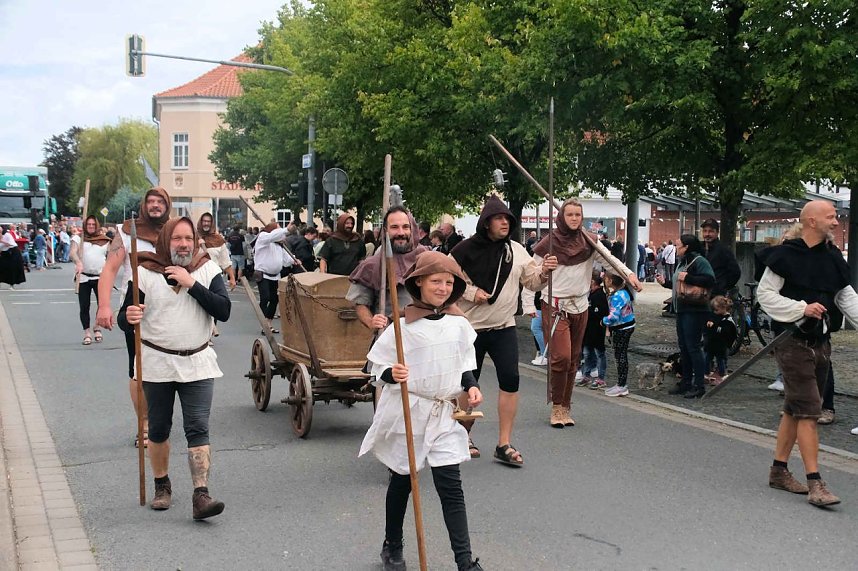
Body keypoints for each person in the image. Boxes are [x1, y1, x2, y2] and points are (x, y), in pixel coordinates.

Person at [359, 251, 483, 571]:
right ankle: (393, 545)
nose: (442, 287)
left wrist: (470, 385)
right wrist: (391, 374)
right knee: (403, 481)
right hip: (410, 409)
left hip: (442, 412)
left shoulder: (459, 325)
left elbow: (464, 364)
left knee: (450, 487)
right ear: (419, 284)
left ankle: (465, 561)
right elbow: (376, 368)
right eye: (435, 281)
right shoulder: (402, 327)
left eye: (448, 282)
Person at [117, 217, 231, 519]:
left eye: (188, 238)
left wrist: (191, 283)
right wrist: (129, 315)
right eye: (177, 238)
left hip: (198, 362)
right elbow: (123, 319)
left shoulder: (207, 269)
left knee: (198, 427)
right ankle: (162, 485)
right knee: (158, 427)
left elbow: (224, 310)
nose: (183, 244)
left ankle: (201, 495)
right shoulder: (144, 272)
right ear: (166, 241)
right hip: (157, 362)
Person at [756, 200, 858, 507]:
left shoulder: (832, 258)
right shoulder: (786, 255)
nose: (836, 222)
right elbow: (765, 296)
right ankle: (816, 483)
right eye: (830, 217)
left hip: (821, 344)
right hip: (792, 342)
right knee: (809, 411)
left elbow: (846, 298)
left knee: (794, 409)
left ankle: (778, 471)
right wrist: (801, 308)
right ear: (811, 222)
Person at [451, 195, 556, 464]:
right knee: (466, 383)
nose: (504, 223)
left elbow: (532, 282)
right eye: (498, 218)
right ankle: (463, 435)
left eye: (507, 219)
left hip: (504, 327)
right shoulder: (463, 251)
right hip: (471, 328)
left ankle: (504, 442)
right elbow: (447, 282)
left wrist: (544, 272)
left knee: (510, 380)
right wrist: (472, 292)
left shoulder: (516, 250)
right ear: (486, 223)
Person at [531, 198, 640, 427]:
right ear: (562, 217)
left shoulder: (590, 242)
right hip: (555, 304)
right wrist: (543, 272)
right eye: (569, 214)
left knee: (573, 359)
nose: (573, 219)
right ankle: (557, 405)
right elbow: (532, 280)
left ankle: (564, 406)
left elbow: (611, 262)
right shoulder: (547, 244)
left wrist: (630, 275)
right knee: (561, 357)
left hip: (581, 305)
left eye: (577, 215)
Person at [96, 187, 172, 448]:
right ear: (143, 205)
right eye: (150, 201)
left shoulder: (174, 231)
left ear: (167, 205)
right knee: (139, 369)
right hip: (135, 306)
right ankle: (145, 425)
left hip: (170, 307)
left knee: (170, 368)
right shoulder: (127, 232)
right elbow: (109, 270)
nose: (154, 205)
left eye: (159, 201)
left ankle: (162, 421)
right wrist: (104, 306)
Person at [348, 206, 428, 332]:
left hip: (423, 335)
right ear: (386, 230)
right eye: (394, 227)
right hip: (390, 336)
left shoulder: (426, 258)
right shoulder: (373, 264)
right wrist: (371, 321)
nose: (401, 233)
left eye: (405, 227)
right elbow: (360, 303)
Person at [656, 234, 715, 398]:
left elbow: (710, 280)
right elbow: (680, 286)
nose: (675, 248)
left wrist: (688, 277)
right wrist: (666, 283)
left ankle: (698, 385)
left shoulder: (699, 261)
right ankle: (686, 382)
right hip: (682, 310)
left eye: (678, 245)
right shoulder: (683, 261)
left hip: (694, 310)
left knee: (693, 347)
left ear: (687, 247)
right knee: (685, 348)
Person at [71, 216, 109, 345]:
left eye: (93, 224)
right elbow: (72, 252)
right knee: (84, 306)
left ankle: (97, 327)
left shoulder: (104, 240)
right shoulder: (79, 239)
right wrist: (77, 262)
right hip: (83, 277)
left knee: (101, 304)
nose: (91, 226)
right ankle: (87, 332)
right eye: (89, 224)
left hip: (100, 277)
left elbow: (111, 257)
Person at [253, 222, 294, 334]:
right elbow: (272, 236)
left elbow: (286, 260)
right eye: (277, 230)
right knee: (265, 298)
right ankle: (264, 324)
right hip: (263, 274)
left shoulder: (279, 246)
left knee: (274, 300)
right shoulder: (263, 238)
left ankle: (268, 323)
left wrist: (294, 260)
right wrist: (286, 230)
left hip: (275, 276)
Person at [602, 273, 636, 397]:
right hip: (627, 325)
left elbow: (614, 316)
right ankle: (621, 384)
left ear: (610, 281)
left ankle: (621, 385)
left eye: (606, 279)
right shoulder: (623, 292)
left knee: (620, 356)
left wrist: (603, 321)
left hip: (621, 328)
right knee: (621, 355)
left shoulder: (617, 296)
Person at [578, 272, 608, 389]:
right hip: (588, 330)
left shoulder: (599, 295)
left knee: (599, 353)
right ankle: (586, 374)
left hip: (596, 329)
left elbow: (599, 312)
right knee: (587, 353)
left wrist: (586, 313)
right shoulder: (591, 294)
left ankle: (600, 377)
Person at [701, 218, 741, 296]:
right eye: (705, 231)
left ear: (717, 232)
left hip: (716, 295)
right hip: (702, 293)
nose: (707, 234)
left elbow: (735, 272)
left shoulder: (723, 250)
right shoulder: (700, 249)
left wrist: (722, 286)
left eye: (711, 231)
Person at [703, 295, 738, 385]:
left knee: (720, 359)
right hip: (712, 342)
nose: (715, 312)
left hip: (721, 344)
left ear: (724, 309)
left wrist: (714, 326)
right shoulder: (715, 316)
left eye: (716, 310)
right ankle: (706, 372)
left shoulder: (728, 320)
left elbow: (725, 331)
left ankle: (721, 373)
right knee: (707, 358)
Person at [197, 213, 235, 290]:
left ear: (212, 223)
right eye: (204, 221)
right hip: (197, 279)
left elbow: (225, 262)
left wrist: (232, 278)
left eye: (209, 221)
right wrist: (197, 244)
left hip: (214, 278)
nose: (206, 223)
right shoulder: (193, 237)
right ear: (200, 223)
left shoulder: (218, 239)